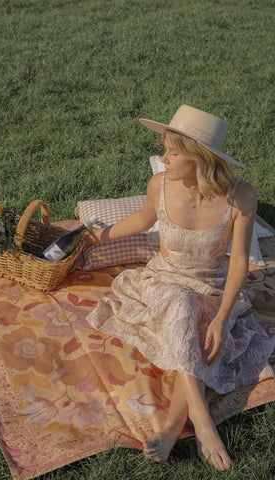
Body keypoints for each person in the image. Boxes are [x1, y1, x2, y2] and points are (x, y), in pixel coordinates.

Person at [85, 105, 275, 471]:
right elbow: (143, 219)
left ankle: (173, 427)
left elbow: (238, 263)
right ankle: (201, 421)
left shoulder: (241, 196)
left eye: (173, 152)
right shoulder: (159, 185)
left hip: (213, 283)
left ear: (201, 157)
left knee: (203, 334)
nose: (164, 159)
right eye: (165, 149)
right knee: (180, 305)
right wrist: (98, 237)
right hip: (166, 279)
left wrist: (221, 318)